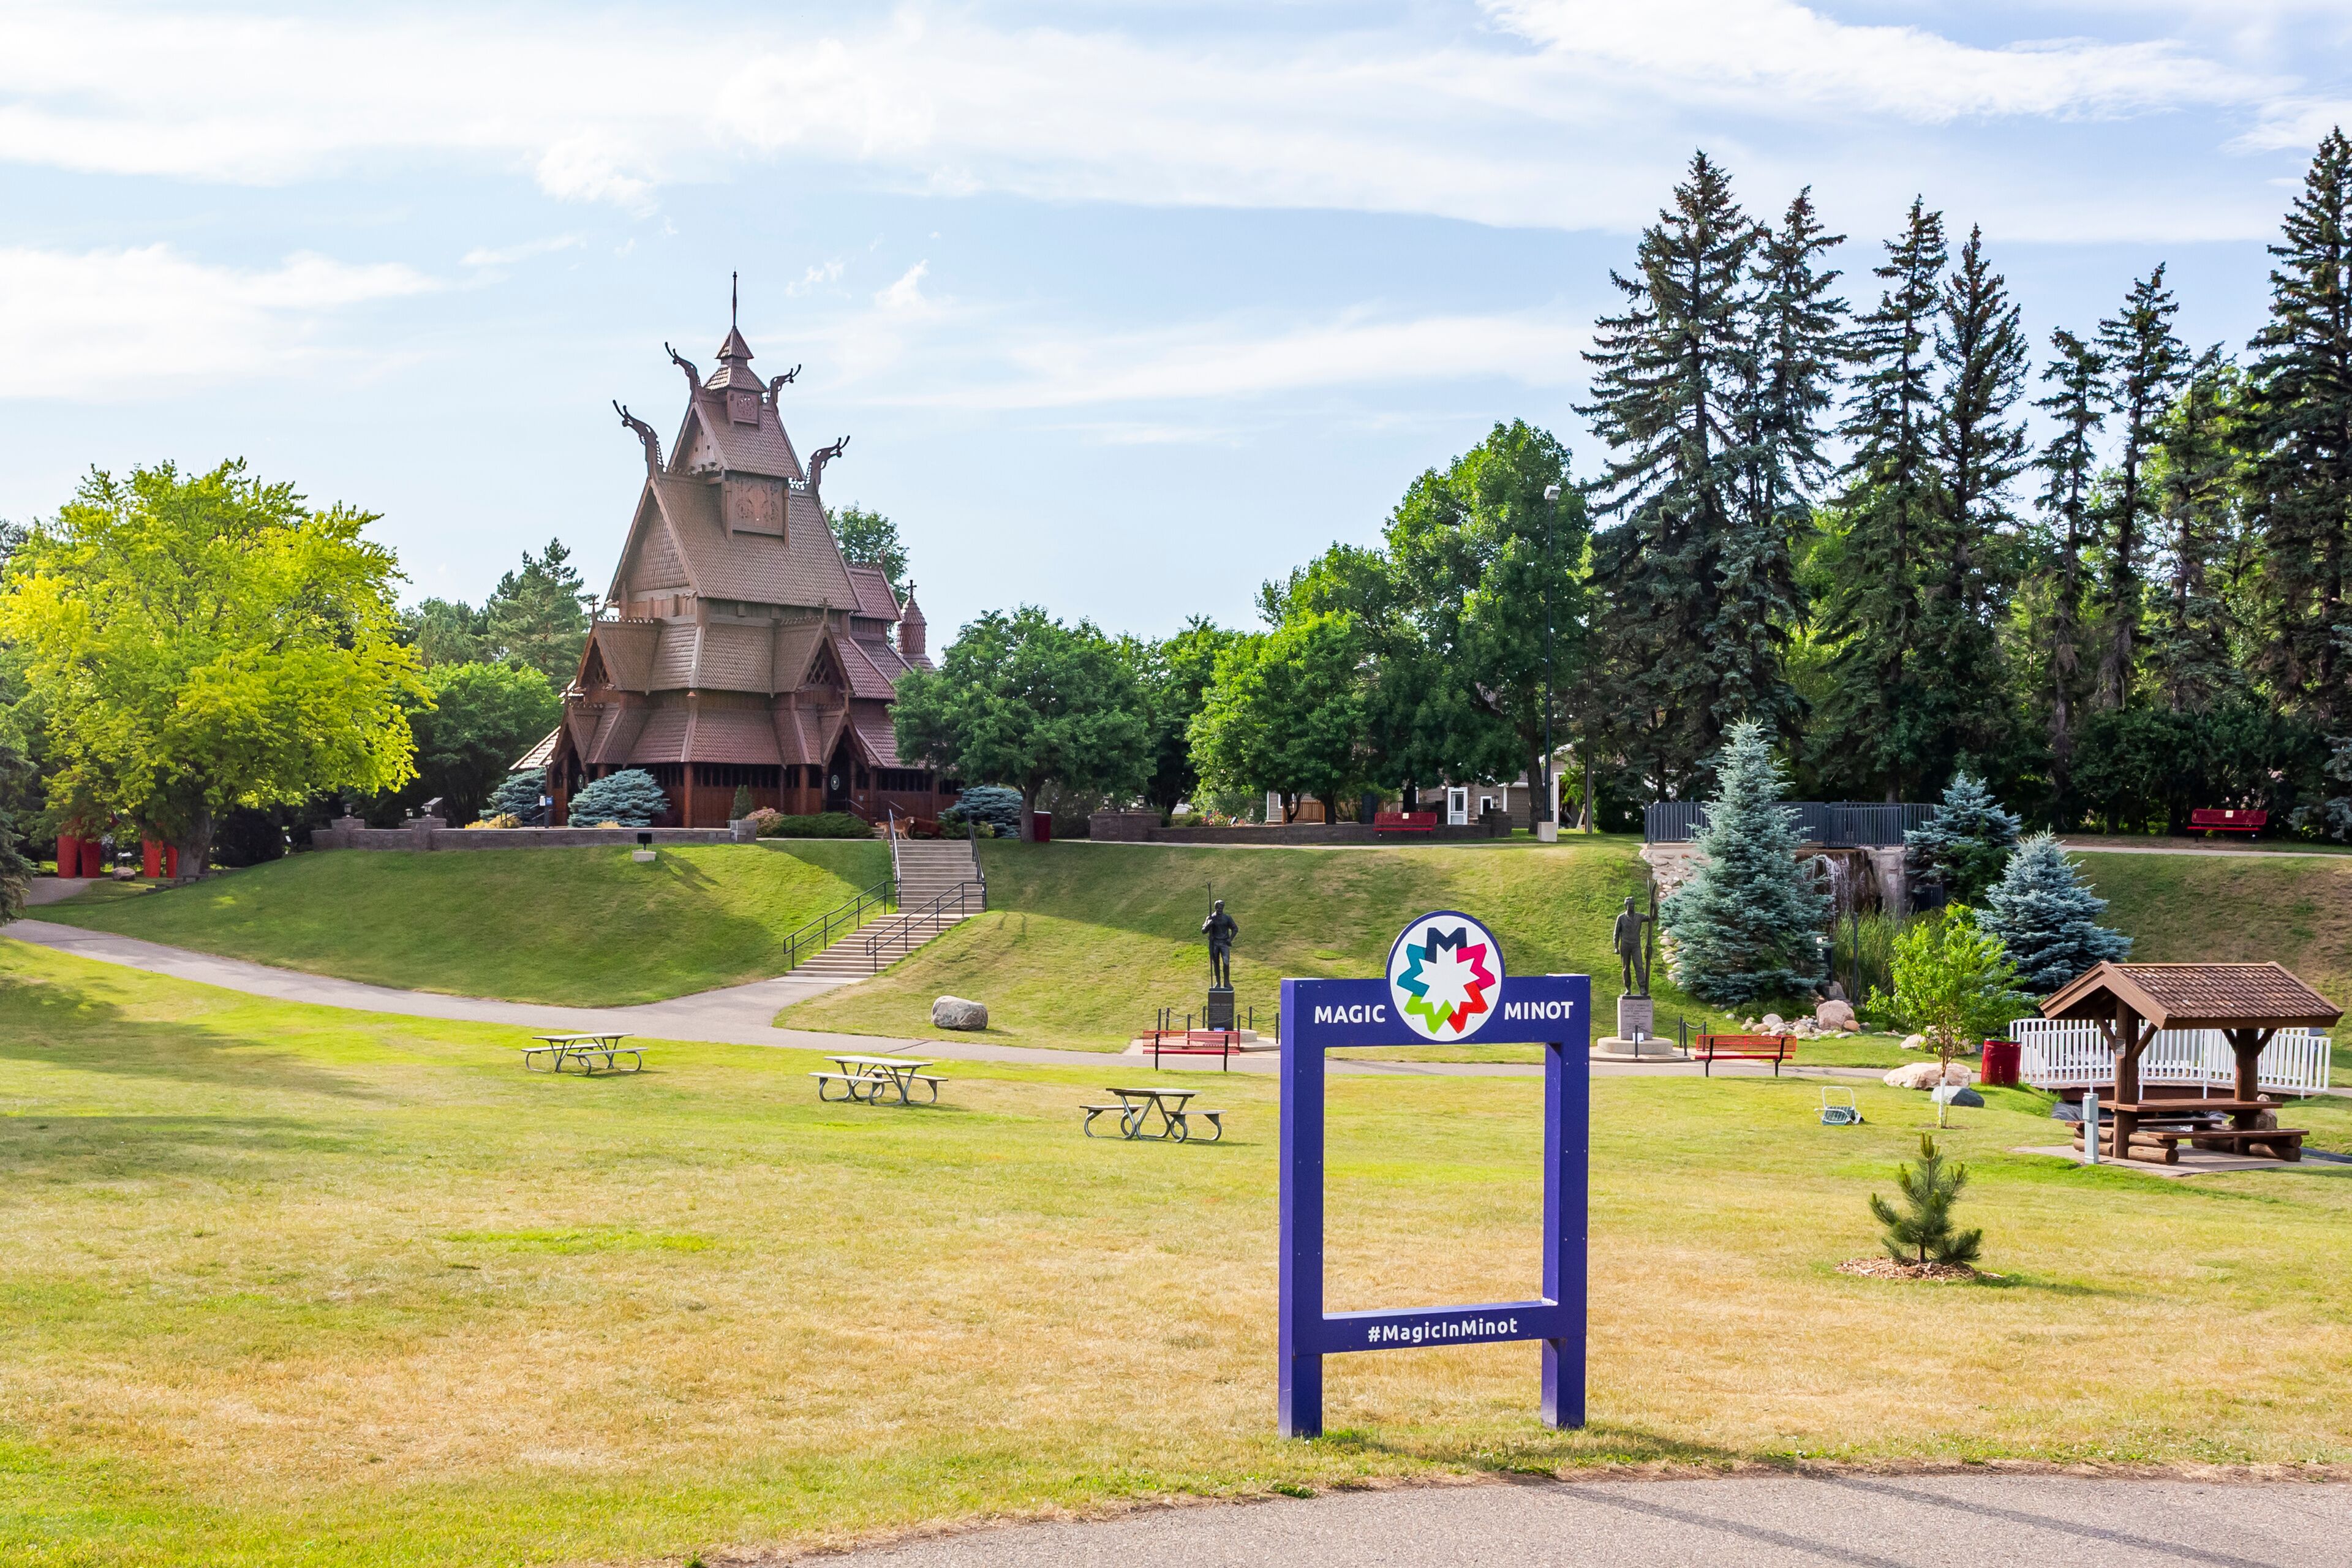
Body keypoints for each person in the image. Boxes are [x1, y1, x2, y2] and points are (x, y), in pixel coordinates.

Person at [1612, 894, 1653, 997]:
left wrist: (1654, 907)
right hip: (1625, 945)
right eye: (1630, 904)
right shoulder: (1621, 918)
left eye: (1634, 904)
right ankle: (1627, 988)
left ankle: (1642, 987)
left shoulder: (1639, 917)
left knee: (1639, 966)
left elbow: (1653, 918)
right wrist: (1616, 947)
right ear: (1626, 905)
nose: (1633, 906)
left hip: (1636, 946)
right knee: (1626, 968)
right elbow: (1616, 933)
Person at [1202, 899, 1239, 989]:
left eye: (1222, 908)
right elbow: (1203, 931)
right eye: (1219, 908)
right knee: (1216, 963)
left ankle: (1227, 982)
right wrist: (1209, 925)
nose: (1220, 910)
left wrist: (1230, 939)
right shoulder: (1210, 918)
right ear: (1216, 908)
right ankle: (1218, 982)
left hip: (1224, 943)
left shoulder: (1227, 918)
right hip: (1215, 943)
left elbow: (1235, 928)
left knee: (1226, 962)